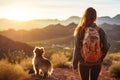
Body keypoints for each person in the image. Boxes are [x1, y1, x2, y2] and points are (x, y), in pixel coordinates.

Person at [72, 7, 110, 80]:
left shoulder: (80, 30)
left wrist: (74, 65)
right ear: (95, 17)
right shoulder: (100, 30)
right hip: (97, 62)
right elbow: (106, 47)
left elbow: (76, 48)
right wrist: (100, 57)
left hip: (83, 62)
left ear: (84, 16)